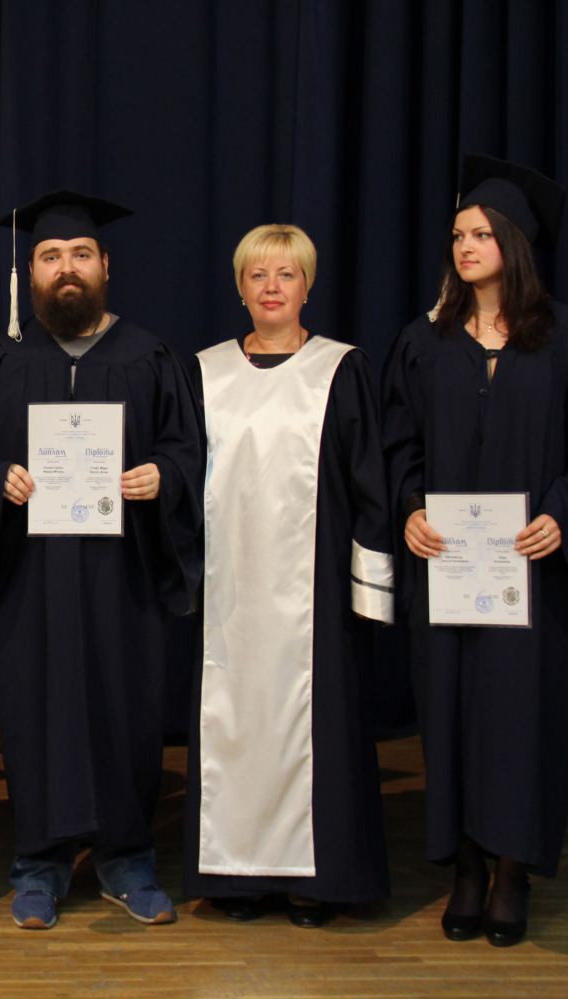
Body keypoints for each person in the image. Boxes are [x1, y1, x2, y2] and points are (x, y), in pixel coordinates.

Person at [381, 156, 568, 947]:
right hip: (450, 568)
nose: (465, 246)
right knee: (452, 712)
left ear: (515, 243)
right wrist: (411, 508)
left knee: (524, 717)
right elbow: (398, 446)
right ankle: (464, 866)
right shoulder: (424, 343)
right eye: (458, 234)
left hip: (533, 573)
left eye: (482, 234)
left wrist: (562, 514)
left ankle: (512, 870)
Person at [0, 190, 204, 930]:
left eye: (80, 254)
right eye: (51, 256)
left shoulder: (150, 357)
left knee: (126, 710)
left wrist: (164, 476)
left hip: (124, 576)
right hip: (31, 576)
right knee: (35, 712)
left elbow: (188, 453)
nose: (67, 268)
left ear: (105, 266)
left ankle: (127, 857)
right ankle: (39, 861)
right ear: (30, 272)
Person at [185, 224, 393, 928]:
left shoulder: (340, 369)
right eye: (258, 275)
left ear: (308, 285)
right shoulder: (206, 372)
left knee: (316, 727)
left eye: (286, 274)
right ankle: (237, 876)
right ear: (239, 287)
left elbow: (370, 482)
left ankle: (318, 881)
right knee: (233, 721)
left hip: (317, 589)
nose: (271, 287)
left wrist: (369, 588)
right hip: (229, 588)